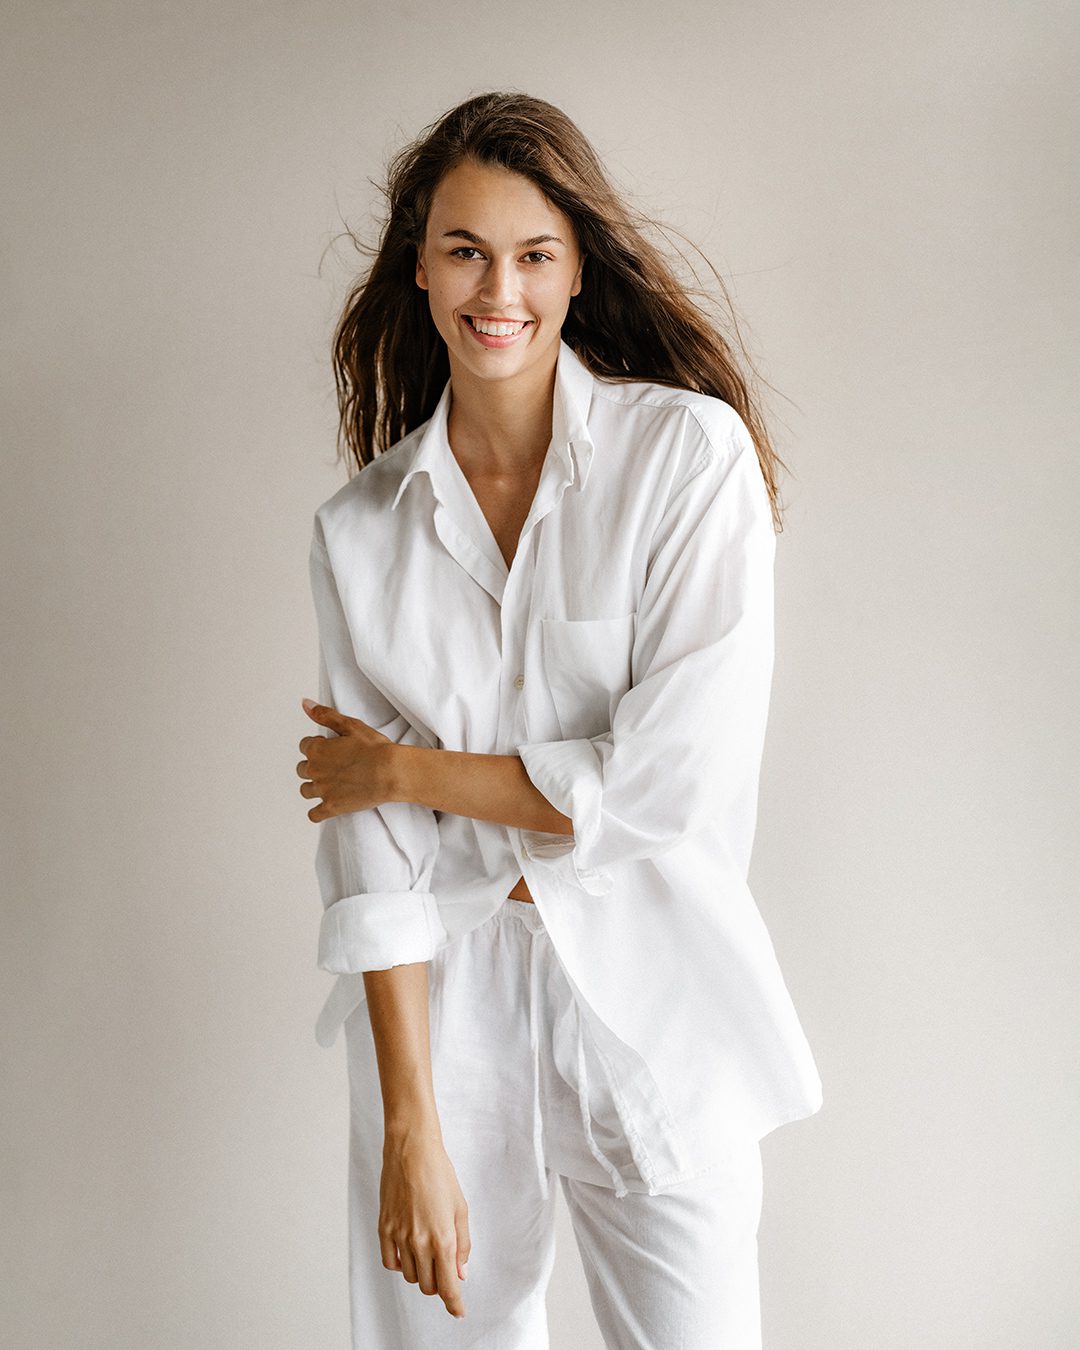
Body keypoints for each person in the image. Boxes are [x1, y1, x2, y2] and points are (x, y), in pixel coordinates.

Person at [295, 91, 823, 1349]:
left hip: (654, 994)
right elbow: (372, 858)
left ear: (579, 268)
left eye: (534, 254)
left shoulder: (686, 462)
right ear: (420, 266)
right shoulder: (360, 534)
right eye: (466, 250)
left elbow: (666, 783)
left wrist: (409, 770)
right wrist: (410, 1125)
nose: (500, 290)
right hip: (447, 1017)